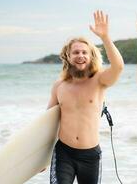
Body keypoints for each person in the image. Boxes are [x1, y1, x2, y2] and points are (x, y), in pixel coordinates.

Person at [46, 10, 124, 184]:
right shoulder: (59, 86)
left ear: (90, 57)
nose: (80, 56)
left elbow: (118, 67)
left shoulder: (100, 80)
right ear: (68, 56)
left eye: (84, 52)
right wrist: (39, 158)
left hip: (90, 156)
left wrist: (105, 37)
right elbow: (48, 123)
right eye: (75, 52)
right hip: (63, 153)